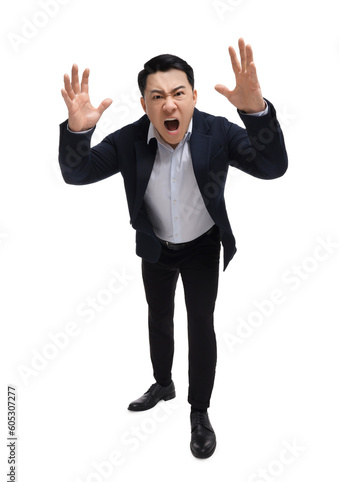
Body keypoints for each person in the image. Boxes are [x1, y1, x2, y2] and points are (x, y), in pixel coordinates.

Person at [58, 38, 288, 459]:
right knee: (158, 316)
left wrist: (256, 114)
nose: (169, 105)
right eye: (158, 96)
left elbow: (273, 168)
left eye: (178, 94)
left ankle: (198, 412)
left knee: (200, 323)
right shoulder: (128, 140)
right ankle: (163, 383)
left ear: (194, 97)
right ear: (144, 103)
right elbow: (77, 174)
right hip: (155, 248)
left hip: (202, 247)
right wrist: (78, 131)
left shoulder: (216, 131)